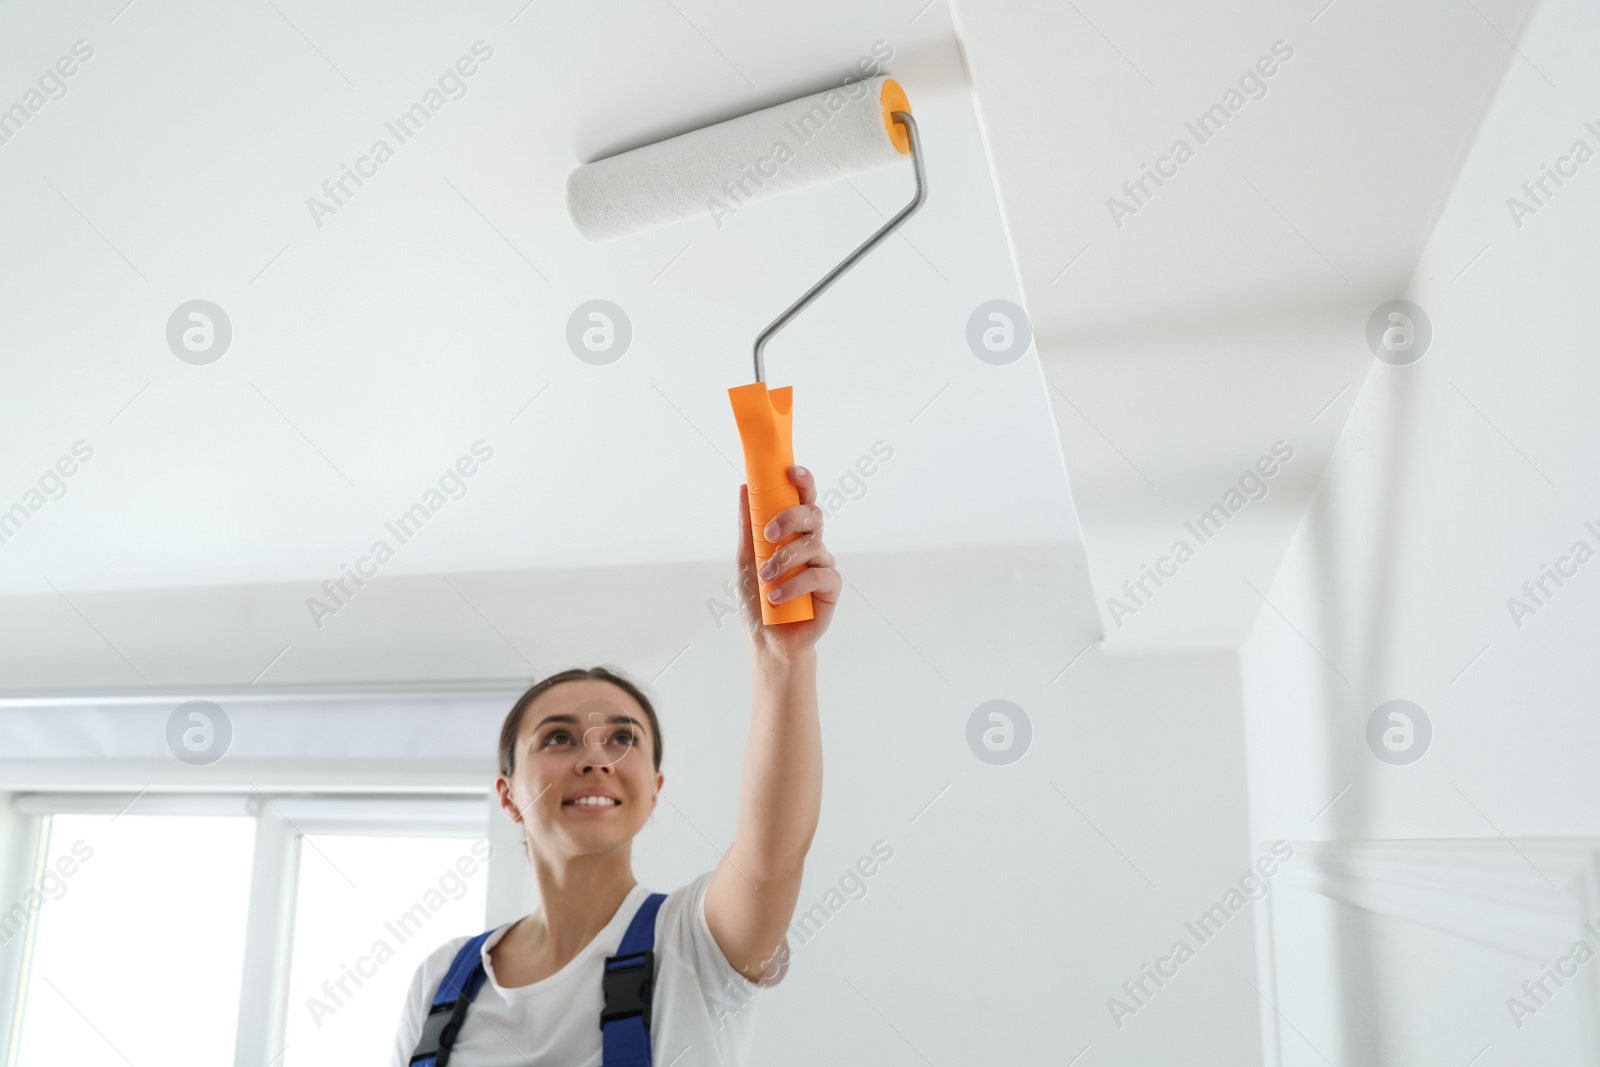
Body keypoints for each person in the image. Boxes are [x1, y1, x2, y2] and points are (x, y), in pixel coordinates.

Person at [390, 468, 838, 1066]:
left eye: (623, 739)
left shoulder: (693, 944)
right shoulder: (441, 982)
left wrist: (781, 656)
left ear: (654, 790)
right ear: (506, 793)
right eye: (558, 738)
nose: (594, 759)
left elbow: (774, 852)